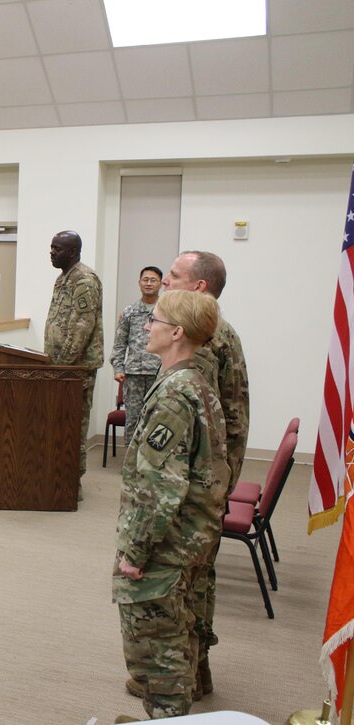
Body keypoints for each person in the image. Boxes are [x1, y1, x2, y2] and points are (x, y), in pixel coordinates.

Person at [113, 289, 228, 722]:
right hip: (192, 535)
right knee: (179, 633)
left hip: (166, 544)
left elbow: (161, 487)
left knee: (157, 653)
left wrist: (136, 552)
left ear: (176, 332)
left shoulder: (175, 395)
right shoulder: (195, 378)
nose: (147, 325)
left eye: (155, 321)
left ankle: (165, 718)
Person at [144, 250, 249, 700]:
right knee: (198, 579)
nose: (165, 281)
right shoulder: (216, 327)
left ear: (199, 286)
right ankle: (197, 673)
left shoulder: (204, 341)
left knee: (180, 583)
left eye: (174, 275)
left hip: (197, 486)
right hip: (213, 479)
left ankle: (177, 678)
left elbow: (193, 428)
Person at [44, 230, 104, 482]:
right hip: (60, 367)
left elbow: (80, 328)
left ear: (73, 252)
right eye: (51, 247)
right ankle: (59, 477)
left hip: (75, 369)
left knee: (74, 426)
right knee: (60, 425)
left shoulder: (84, 280)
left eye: (57, 249)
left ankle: (71, 482)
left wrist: (61, 366)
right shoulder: (63, 278)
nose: (52, 253)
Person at [112, 266, 163, 439]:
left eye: (153, 280)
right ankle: (131, 463)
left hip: (159, 374)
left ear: (161, 283)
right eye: (145, 279)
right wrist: (118, 368)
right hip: (133, 375)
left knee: (157, 419)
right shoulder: (129, 312)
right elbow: (120, 343)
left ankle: (152, 463)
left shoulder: (167, 312)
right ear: (139, 283)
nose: (149, 283)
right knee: (133, 419)